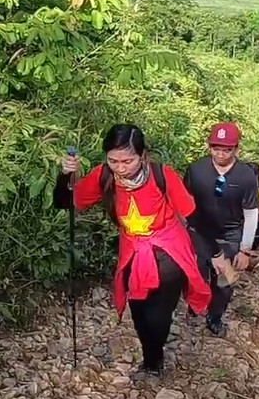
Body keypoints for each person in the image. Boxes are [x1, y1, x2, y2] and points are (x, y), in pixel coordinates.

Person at [54, 124, 226, 375]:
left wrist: (215, 252)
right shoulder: (105, 176)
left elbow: (194, 217)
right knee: (139, 312)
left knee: (159, 315)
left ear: (143, 155)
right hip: (132, 250)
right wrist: (65, 176)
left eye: (128, 160)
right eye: (114, 160)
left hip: (168, 250)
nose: (121, 168)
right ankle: (151, 355)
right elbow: (65, 202)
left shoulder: (162, 175)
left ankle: (153, 361)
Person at [184, 122, 259, 338]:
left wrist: (245, 250)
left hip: (230, 234)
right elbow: (184, 203)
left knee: (225, 280)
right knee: (197, 273)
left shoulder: (245, 176)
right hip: (199, 231)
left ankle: (215, 316)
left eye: (227, 150)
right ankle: (195, 305)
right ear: (209, 147)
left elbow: (251, 213)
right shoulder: (196, 170)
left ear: (236, 149)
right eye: (216, 148)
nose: (221, 154)